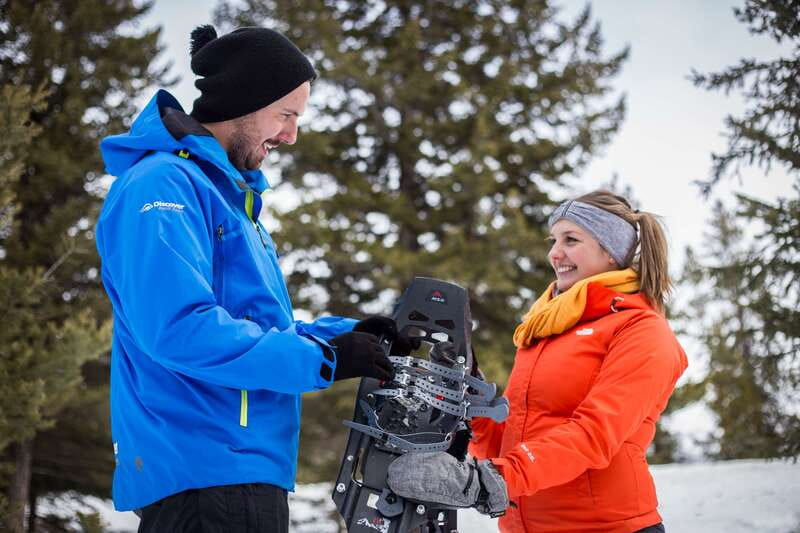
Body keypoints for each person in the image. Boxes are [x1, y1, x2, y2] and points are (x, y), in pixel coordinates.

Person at [96, 25, 409, 533]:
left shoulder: (230, 202)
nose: (291, 135)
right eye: (285, 115)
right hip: (208, 471)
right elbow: (180, 329)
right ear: (244, 103)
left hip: (239, 471)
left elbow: (254, 327)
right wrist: (324, 360)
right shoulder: (162, 186)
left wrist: (348, 335)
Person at [387, 190, 688, 532]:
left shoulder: (642, 331)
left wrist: (497, 479)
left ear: (611, 252)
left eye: (571, 240)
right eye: (554, 240)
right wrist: (471, 398)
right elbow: (510, 437)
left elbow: (594, 434)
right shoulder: (548, 327)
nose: (554, 253)